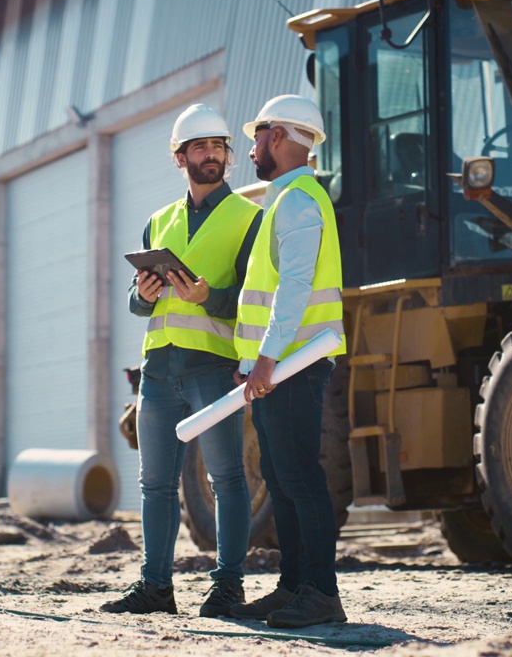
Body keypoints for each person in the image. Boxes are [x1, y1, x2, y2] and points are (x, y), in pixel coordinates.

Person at [100, 104, 262, 618]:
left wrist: (207, 298)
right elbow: (134, 303)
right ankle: (156, 587)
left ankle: (228, 587)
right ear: (180, 158)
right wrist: (145, 294)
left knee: (228, 479)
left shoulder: (247, 219)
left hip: (213, 368)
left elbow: (256, 301)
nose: (212, 154)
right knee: (154, 485)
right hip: (158, 371)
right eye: (200, 147)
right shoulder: (159, 221)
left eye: (218, 147)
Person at [231, 95, 347, 628]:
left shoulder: (298, 201)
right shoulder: (287, 199)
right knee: (280, 475)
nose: (252, 147)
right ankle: (295, 586)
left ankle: (321, 591)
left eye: (257, 136)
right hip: (282, 366)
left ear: (278, 136)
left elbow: (294, 291)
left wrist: (266, 361)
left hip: (294, 366)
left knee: (299, 476)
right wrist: (258, 361)